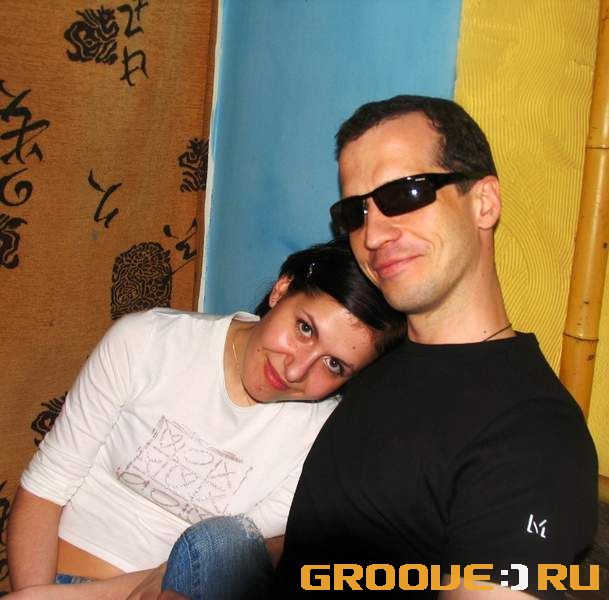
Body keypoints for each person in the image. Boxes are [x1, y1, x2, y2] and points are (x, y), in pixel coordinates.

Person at [273, 96, 598, 598]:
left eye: (405, 193)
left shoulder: (533, 434)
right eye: (356, 211)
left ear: (484, 202)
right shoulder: (375, 359)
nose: (374, 234)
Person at [6, 237, 406, 599]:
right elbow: (44, 491)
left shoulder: (323, 437)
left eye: (334, 364)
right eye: (304, 328)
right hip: (58, 580)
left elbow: (227, 565)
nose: (296, 370)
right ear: (282, 289)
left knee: (222, 543)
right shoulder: (148, 341)